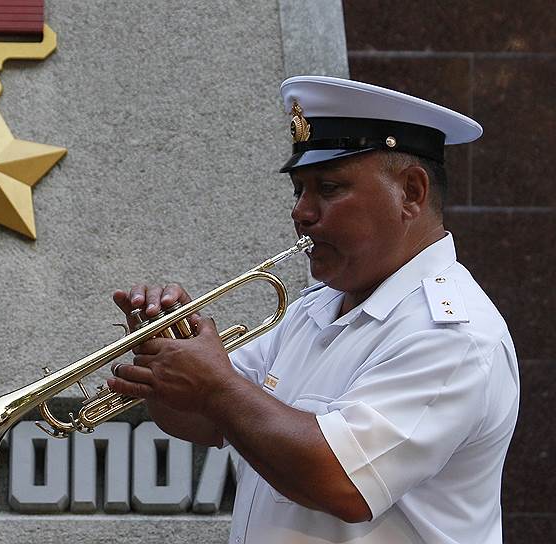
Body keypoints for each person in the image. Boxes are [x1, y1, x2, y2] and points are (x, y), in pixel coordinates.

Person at [107, 76, 519, 544]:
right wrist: (166, 362)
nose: (301, 212)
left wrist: (214, 386)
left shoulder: (452, 335)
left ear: (411, 193)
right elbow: (206, 420)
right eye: (298, 190)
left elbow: (341, 483)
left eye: (328, 187)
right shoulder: (317, 306)